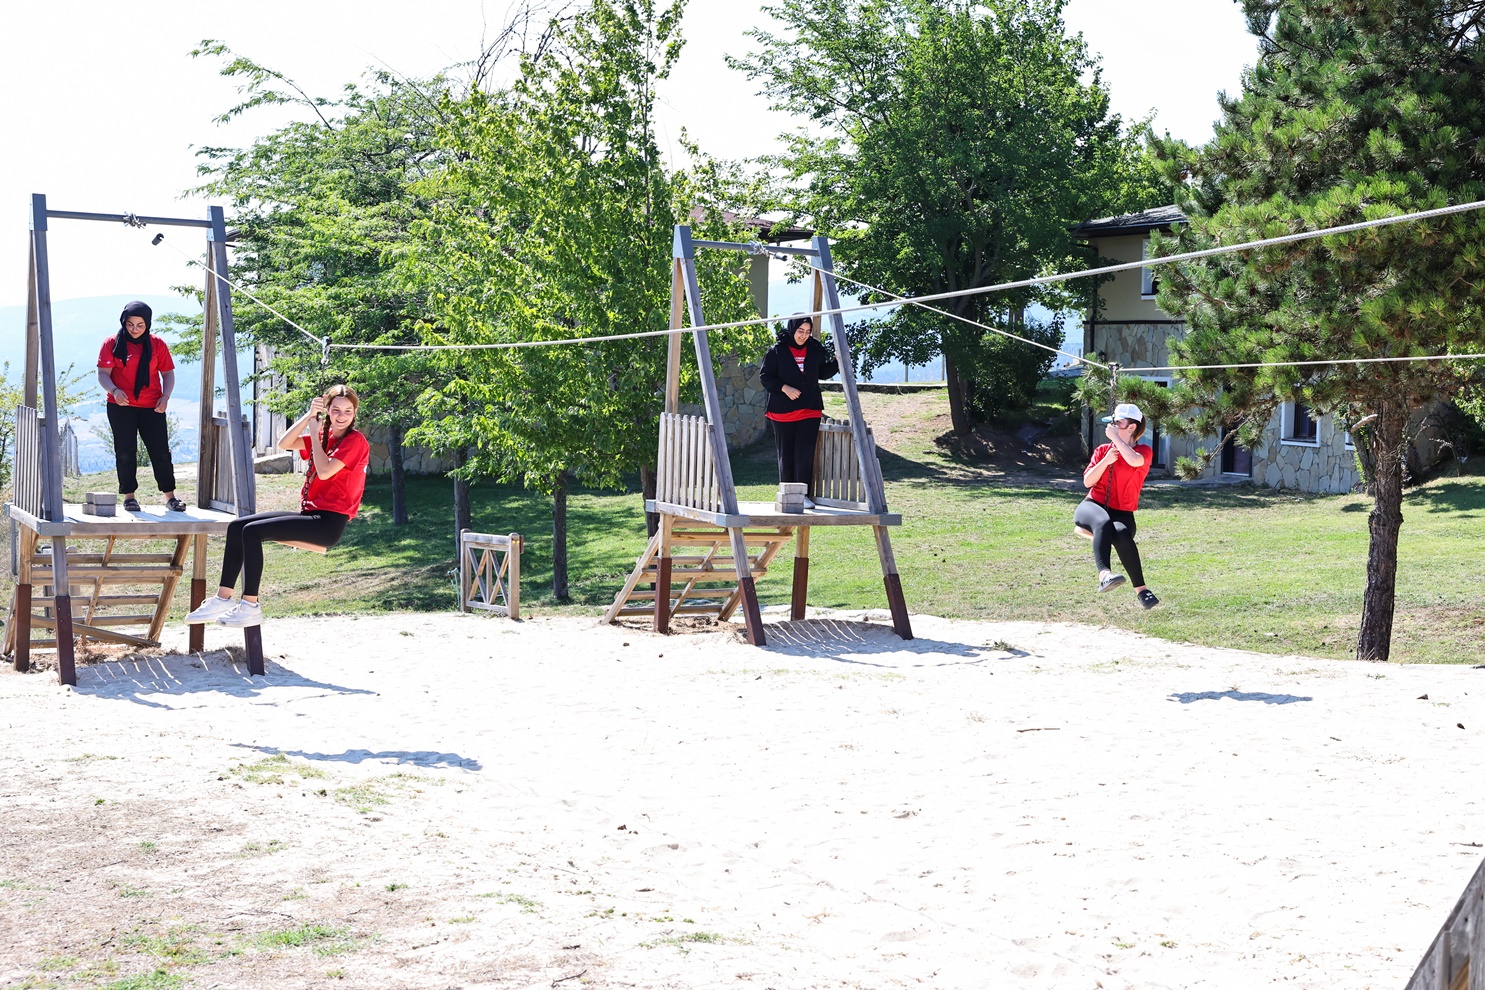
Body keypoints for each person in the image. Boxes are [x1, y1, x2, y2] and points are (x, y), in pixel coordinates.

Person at [185, 384, 370, 628]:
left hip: (329, 523)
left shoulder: (355, 441)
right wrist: (308, 417)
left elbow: (324, 472)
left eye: (348, 411)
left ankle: (250, 605)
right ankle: (223, 597)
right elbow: (286, 443)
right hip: (312, 515)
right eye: (336, 410)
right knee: (238, 526)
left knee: (252, 532)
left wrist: (314, 434)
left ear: (355, 413)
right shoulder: (325, 436)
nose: (342, 416)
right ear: (327, 410)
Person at [97, 300, 185, 513]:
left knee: (161, 451)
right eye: (130, 324)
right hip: (121, 406)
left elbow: (168, 374)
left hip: (152, 406)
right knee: (125, 451)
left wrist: (165, 396)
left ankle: (170, 496)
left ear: (148, 324)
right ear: (123, 322)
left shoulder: (158, 344)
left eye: (140, 325)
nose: (134, 329)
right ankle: (129, 497)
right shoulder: (111, 343)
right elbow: (103, 375)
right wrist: (114, 391)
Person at [1074, 402, 1160, 609]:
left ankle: (1142, 591)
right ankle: (1104, 574)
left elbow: (1135, 462)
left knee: (1121, 532)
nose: (1111, 427)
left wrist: (1116, 441)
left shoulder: (1143, 451)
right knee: (1103, 522)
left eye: (1117, 423)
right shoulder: (1103, 450)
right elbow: (1088, 482)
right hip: (1093, 505)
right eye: (1111, 423)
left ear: (1131, 427)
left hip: (1123, 512)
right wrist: (1105, 460)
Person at [759, 316, 839, 508]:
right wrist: (784, 388)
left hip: (810, 408)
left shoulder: (815, 350)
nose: (803, 335)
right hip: (783, 412)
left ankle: (803, 496)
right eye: (800, 331)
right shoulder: (777, 351)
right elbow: (765, 376)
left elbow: (823, 373)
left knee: (805, 453)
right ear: (792, 329)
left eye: (807, 331)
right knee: (786, 454)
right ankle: (788, 495)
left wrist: (838, 361)